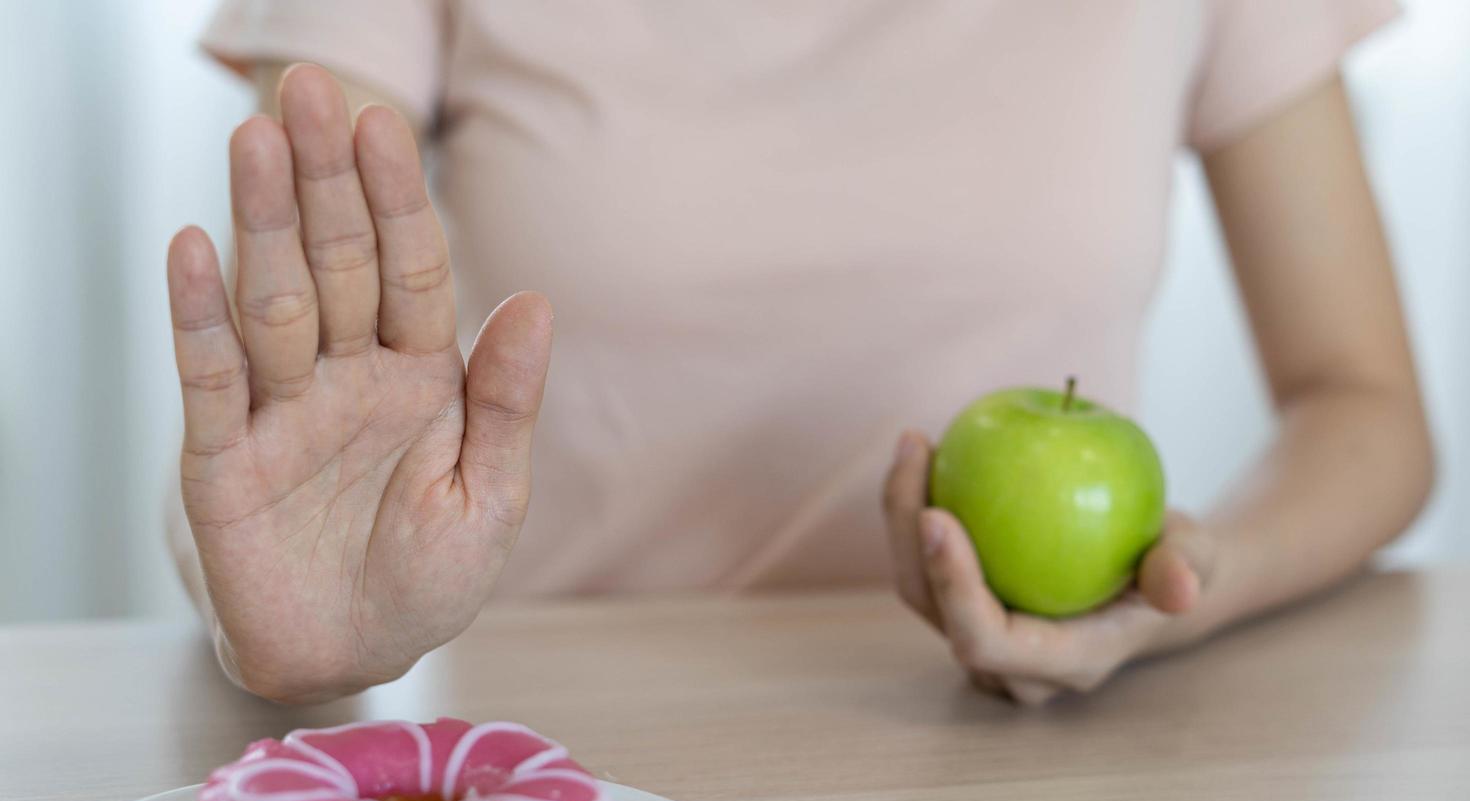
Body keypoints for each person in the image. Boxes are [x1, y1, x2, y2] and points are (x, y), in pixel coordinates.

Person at [166, 1, 1433, 705]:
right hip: (567, 793)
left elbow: (1364, 408)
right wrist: (269, 611)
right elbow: (280, 431)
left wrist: (1181, 596)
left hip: (1026, 795)